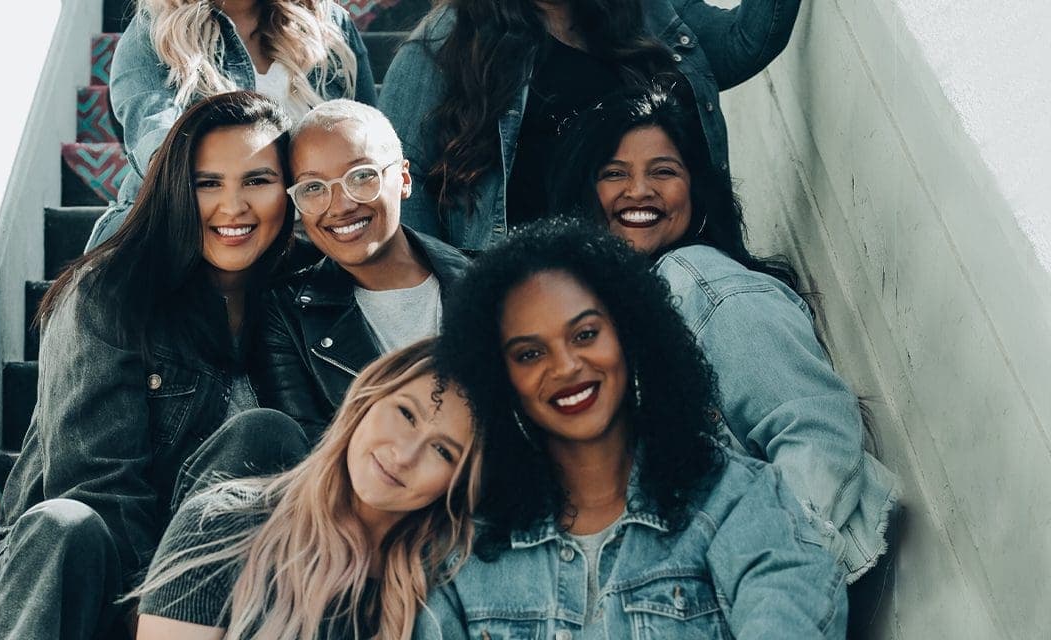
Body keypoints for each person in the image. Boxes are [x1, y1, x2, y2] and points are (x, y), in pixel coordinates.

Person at [548, 86, 900, 613]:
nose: (638, 190)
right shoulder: (606, 318)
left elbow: (816, 433)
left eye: (663, 171)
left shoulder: (702, 283)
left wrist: (754, 586)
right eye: (614, 173)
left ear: (695, 190)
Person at [418, 221, 847, 638]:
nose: (566, 366)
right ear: (500, 378)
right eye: (529, 354)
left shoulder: (734, 500)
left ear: (630, 333)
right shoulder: (463, 552)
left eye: (585, 334)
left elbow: (789, 615)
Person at [0, 91, 297, 639]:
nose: (234, 207)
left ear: (289, 192)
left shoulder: (300, 302)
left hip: (216, 587)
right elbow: (96, 488)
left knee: (266, 435)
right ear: (176, 189)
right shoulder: (108, 294)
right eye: (208, 183)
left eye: (258, 180)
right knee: (64, 525)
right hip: (84, 579)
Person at [378, 0, 803, 251]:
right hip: (541, 303)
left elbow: (743, 44)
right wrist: (446, 302)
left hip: (665, 275)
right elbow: (400, 183)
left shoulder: (643, 10)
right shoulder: (444, 44)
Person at [133, 339, 485, 639]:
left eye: (443, 451)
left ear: (457, 483)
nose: (405, 455)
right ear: (369, 396)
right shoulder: (220, 524)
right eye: (406, 414)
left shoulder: (445, 597)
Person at [251, 99, 469, 439]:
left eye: (362, 176)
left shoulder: (489, 281)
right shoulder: (286, 315)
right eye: (313, 188)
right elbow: (312, 457)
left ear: (404, 178)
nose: (341, 206)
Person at [85, 0, 377, 250]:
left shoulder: (329, 23)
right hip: (198, 236)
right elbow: (161, 151)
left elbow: (370, 140)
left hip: (315, 238)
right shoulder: (156, 32)